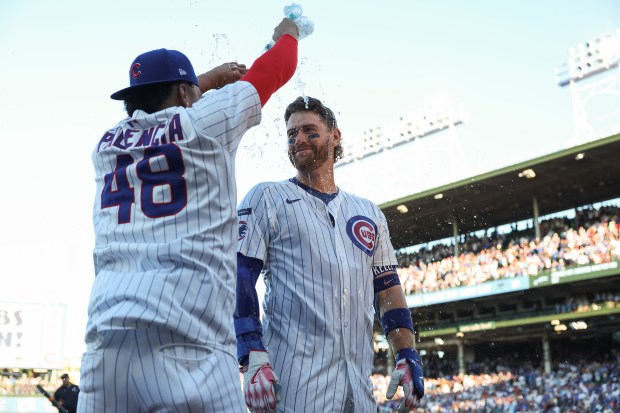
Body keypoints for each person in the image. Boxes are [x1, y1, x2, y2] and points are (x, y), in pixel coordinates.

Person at [78, 18, 302, 413]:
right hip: (189, 347)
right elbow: (277, 67)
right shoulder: (203, 123)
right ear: (184, 93)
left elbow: (153, 112)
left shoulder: (105, 144)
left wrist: (206, 80)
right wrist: (290, 32)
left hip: (105, 352)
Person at [234, 96, 425, 412]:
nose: (299, 140)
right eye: (291, 134)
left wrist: (407, 353)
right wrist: (251, 349)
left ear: (335, 136)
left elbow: (389, 289)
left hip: (358, 385)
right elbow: (238, 275)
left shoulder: (369, 212)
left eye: (309, 130)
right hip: (292, 384)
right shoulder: (267, 197)